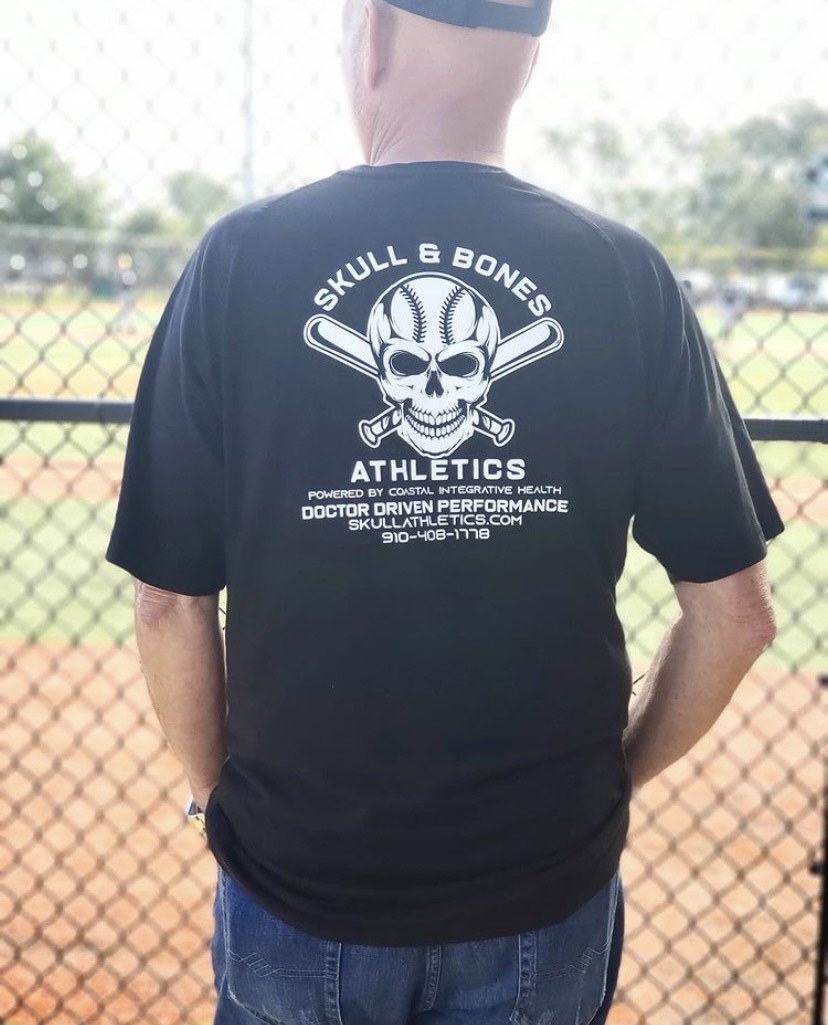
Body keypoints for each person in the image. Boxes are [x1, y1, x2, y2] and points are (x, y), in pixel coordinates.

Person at [106, 1, 783, 1022]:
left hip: (298, 881)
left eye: (455, 370)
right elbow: (736, 613)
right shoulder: (623, 272)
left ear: (370, 35)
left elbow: (168, 601)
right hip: (545, 883)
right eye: (412, 371)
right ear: (530, 57)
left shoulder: (240, 260)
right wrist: (610, 781)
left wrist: (220, 800)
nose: (432, 390)